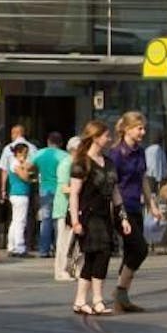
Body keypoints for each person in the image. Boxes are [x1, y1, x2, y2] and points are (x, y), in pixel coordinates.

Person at [68, 120, 127, 315]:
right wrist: (75, 220)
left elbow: (115, 191)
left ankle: (81, 301)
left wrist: (123, 217)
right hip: (88, 215)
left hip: (105, 215)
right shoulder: (81, 162)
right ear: (95, 137)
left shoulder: (109, 162)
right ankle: (96, 299)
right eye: (105, 135)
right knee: (98, 254)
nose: (109, 139)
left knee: (98, 256)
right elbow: (74, 193)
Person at [107, 111, 159, 312]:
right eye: (139, 128)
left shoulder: (140, 151)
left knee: (131, 251)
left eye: (144, 128)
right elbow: (114, 184)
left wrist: (151, 204)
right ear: (127, 129)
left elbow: (143, 179)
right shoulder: (116, 154)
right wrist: (116, 209)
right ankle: (120, 290)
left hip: (135, 206)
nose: (143, 132)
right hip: (121, 207)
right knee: (139, 248)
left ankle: (123, 297)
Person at [32, 132, 68, 260]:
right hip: (60, 190)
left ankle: (44, 249)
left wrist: (35, 174)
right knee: (59, 220)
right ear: (61, 143)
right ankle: (60, 248)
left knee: (45, 220)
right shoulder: (64, 156)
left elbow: (28, 167)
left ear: (48, 141)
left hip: (44, 190)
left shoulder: (39, 153)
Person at [53, 135, 79, 281]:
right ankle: (61, 270)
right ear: (74, 150)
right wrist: (79, 190)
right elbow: (64, 187)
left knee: (73, 242)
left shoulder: (76, 164)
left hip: (74, 207)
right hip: (64, 207)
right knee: (64, 241)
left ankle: (72, 268)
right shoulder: (66, 164)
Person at [6, 142, 33, 257]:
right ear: (18, 153)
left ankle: (11, 246)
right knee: (20, 221)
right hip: (20, 194)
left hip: (15, 194)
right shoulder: (16, 163)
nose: (26, 156)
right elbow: (25, 177)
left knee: (15, 221)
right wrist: (24, 165)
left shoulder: (13, 163)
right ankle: (20, 247)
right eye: (25, 153)